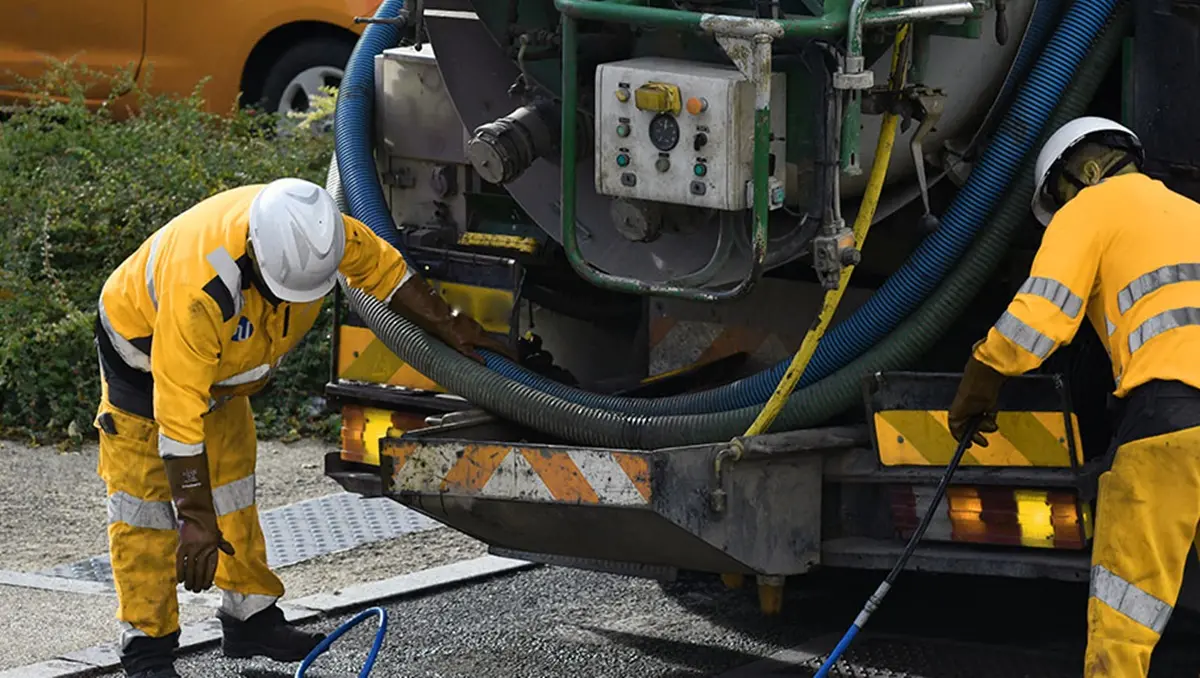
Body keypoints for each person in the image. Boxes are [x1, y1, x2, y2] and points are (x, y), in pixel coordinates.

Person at [93, 178, 511, 677]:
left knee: (231, 490)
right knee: (146, 511)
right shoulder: (199, 293)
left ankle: (250, 620)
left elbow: (385, 272)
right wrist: (193, 515)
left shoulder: (323, 234)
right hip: (143, 365)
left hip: (223, 378)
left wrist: (448, 323)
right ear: (254, 257)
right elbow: (179, 419)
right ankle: (148, 650)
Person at [947, 116, 1200, 677]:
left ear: (1087, 170)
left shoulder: (1091, 205)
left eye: (1057, 197)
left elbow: (1042, 314)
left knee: (1123, 624)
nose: (1059, 212)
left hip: (1171, 425)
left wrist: (984, 374)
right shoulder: (1194, 215)